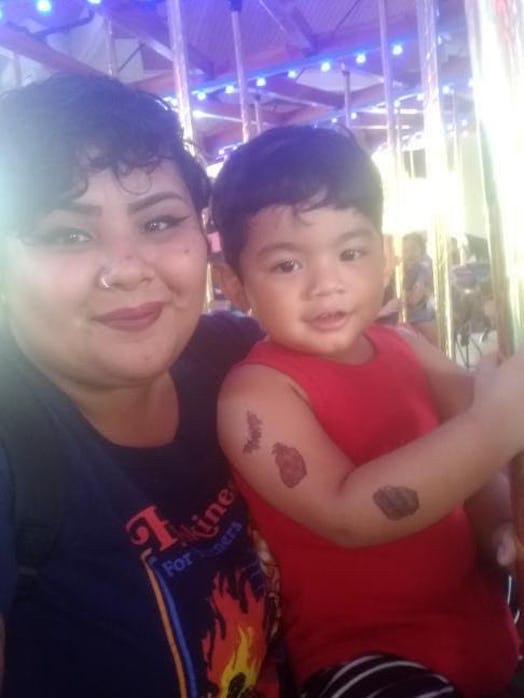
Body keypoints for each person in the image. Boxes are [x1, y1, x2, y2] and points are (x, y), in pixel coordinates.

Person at [210, 125, 524, 697]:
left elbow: (478, 455)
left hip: (481, 628)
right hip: (363, 655)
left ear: (383, 254)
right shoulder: (256, 394)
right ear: (234, 282)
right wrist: (495, 423)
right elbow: (348, 513)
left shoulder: (408, 347)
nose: (326, 284)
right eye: (286, 266)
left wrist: (502, 524)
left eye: (351, 252)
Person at [0, 74, 280, 698]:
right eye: (67, 234)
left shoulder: (238, 359)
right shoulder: (15, 450)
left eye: (158, 223)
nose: (127, 269)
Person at [402, 231, 438, 345]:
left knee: (432, 331)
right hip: (398, 314)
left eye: (414, 249)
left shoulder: (422, 270)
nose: (410, 254)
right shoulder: (395, 271)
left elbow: (413, 300)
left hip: (418, 316)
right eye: (405, 250)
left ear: (422, 252)